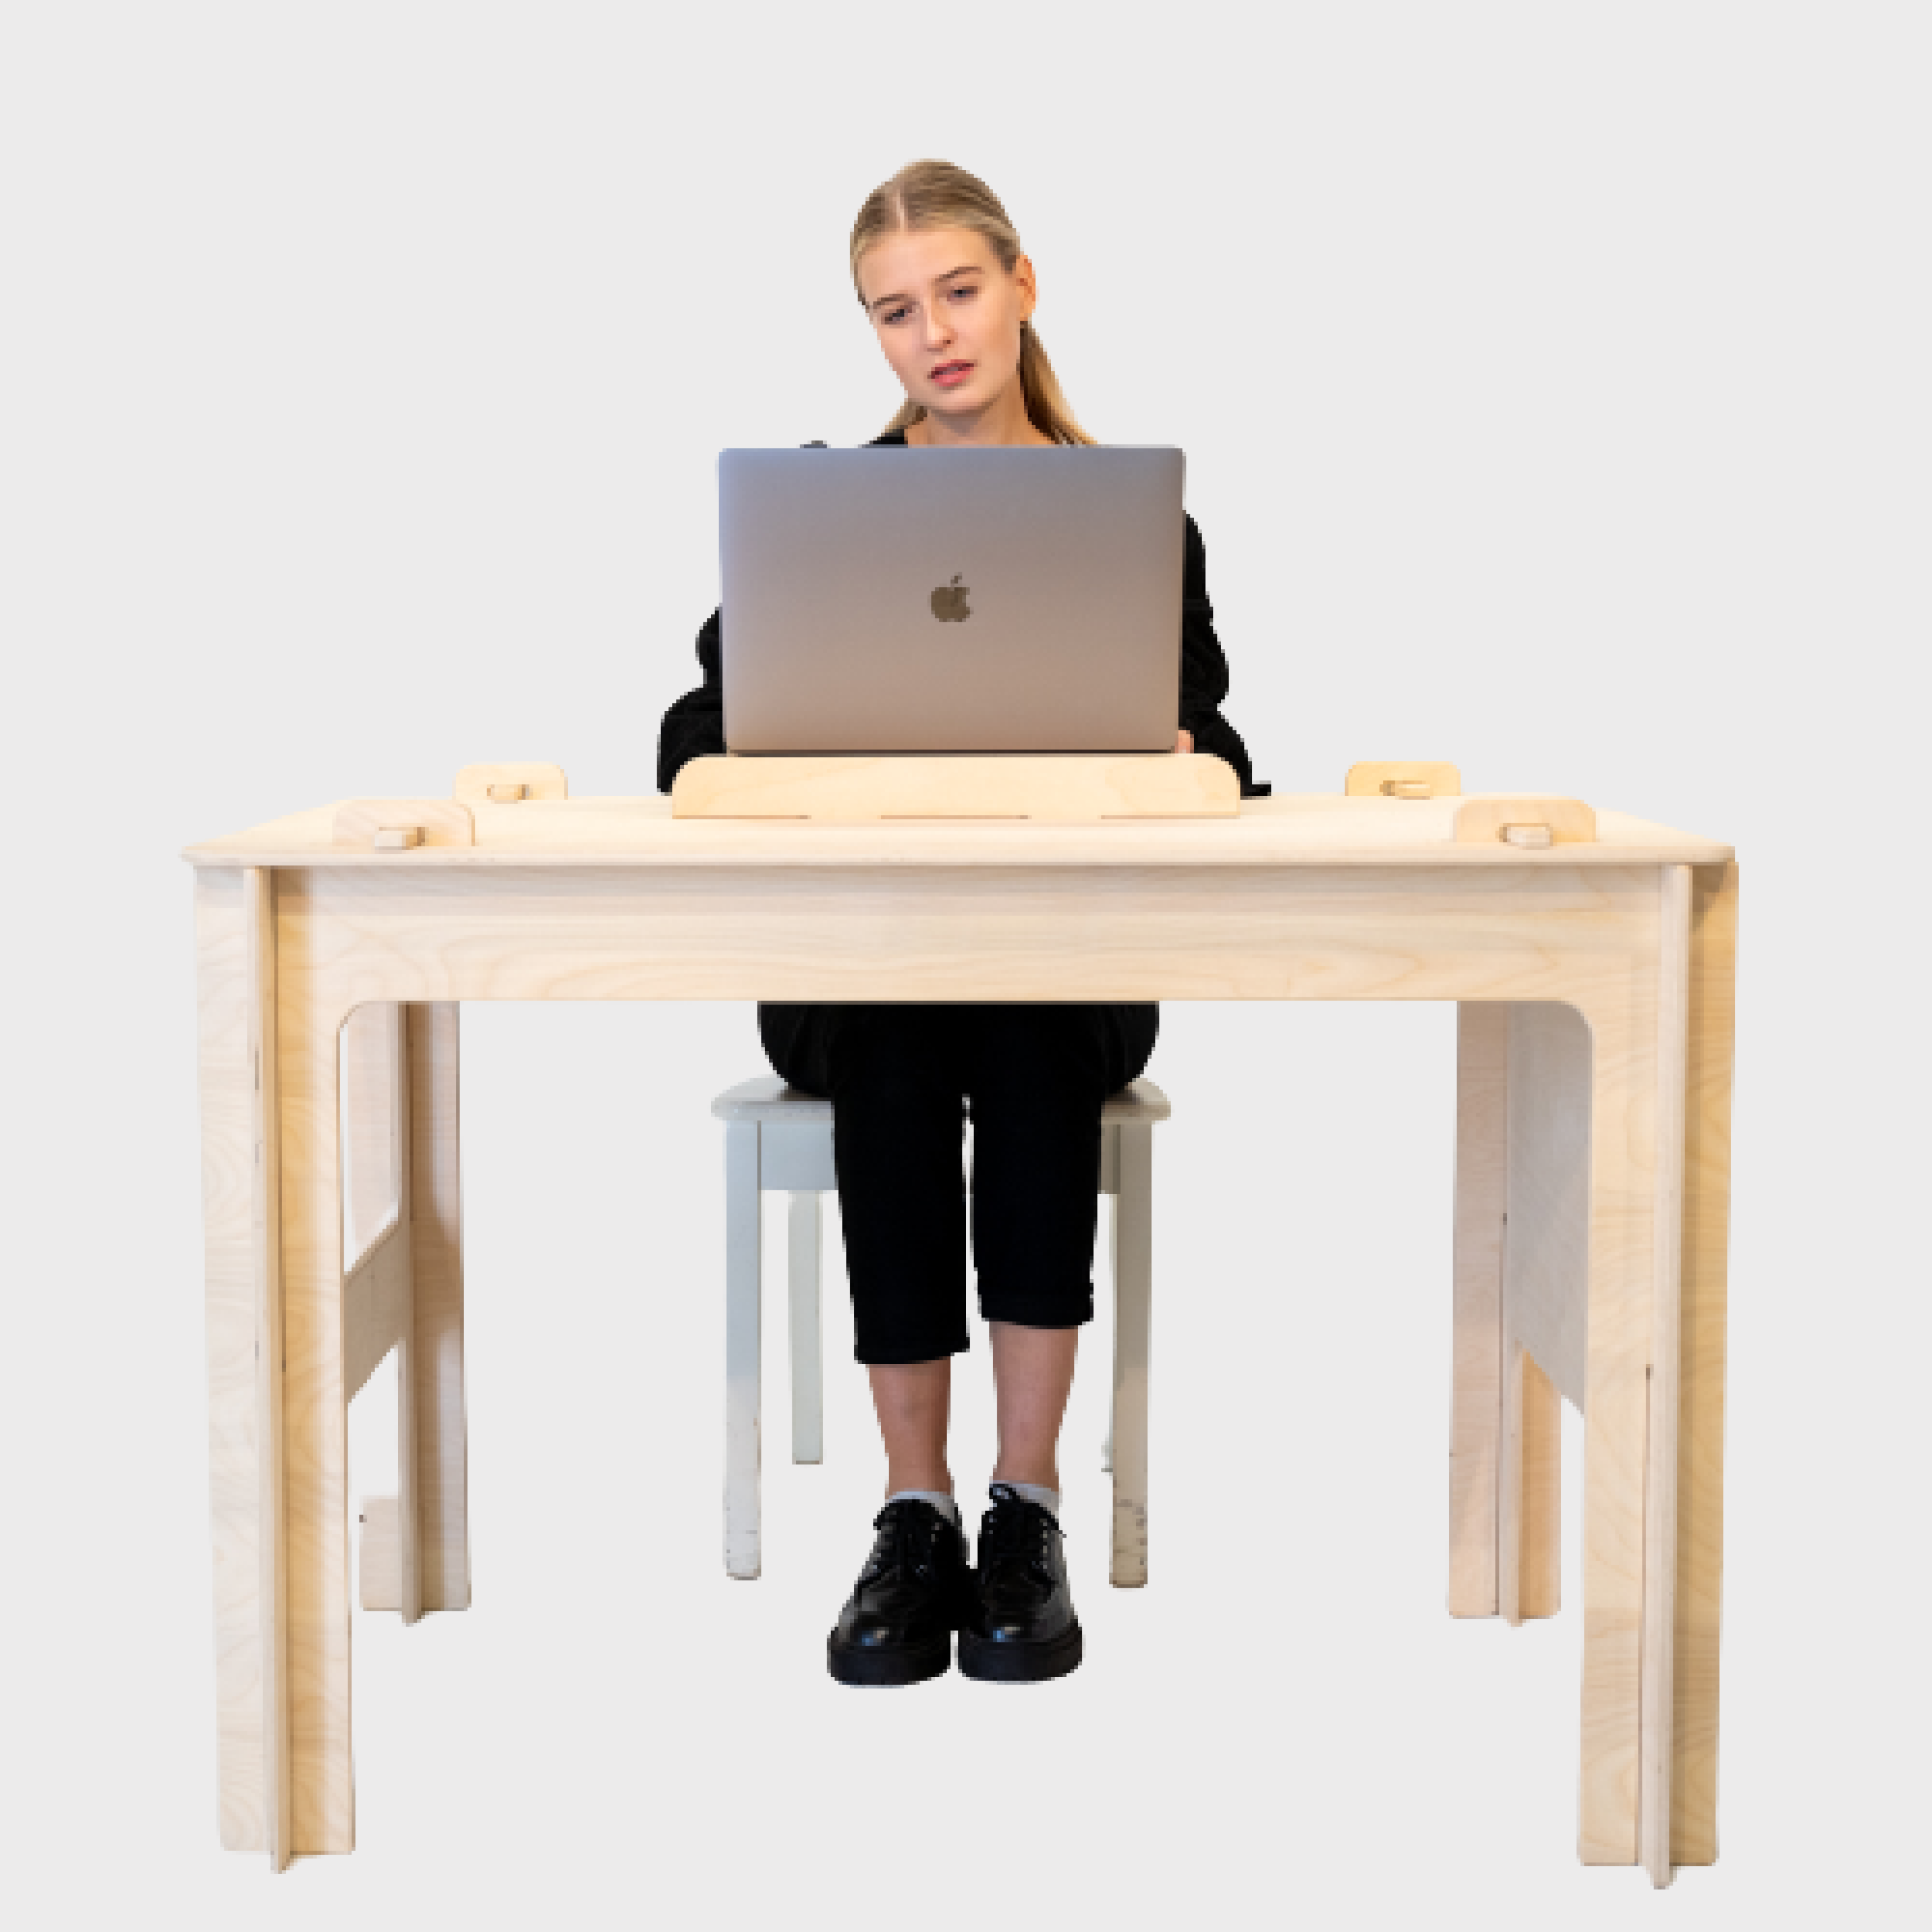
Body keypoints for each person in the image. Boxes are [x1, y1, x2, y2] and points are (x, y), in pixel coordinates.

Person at [657, 160, 1258, 1687]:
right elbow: (689, 727)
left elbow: (1226, 745)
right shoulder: (824, 511)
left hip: (1066, 968)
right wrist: (751, 748)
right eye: (894, 311)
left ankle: (1024, 1508)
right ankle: (912, 1512)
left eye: (959, 291)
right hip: (860, 970)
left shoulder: (1134, 522)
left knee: (1024, 1000)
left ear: (1022, 284)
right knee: (911, 1008)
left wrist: (1192, 760)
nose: (932, 333)